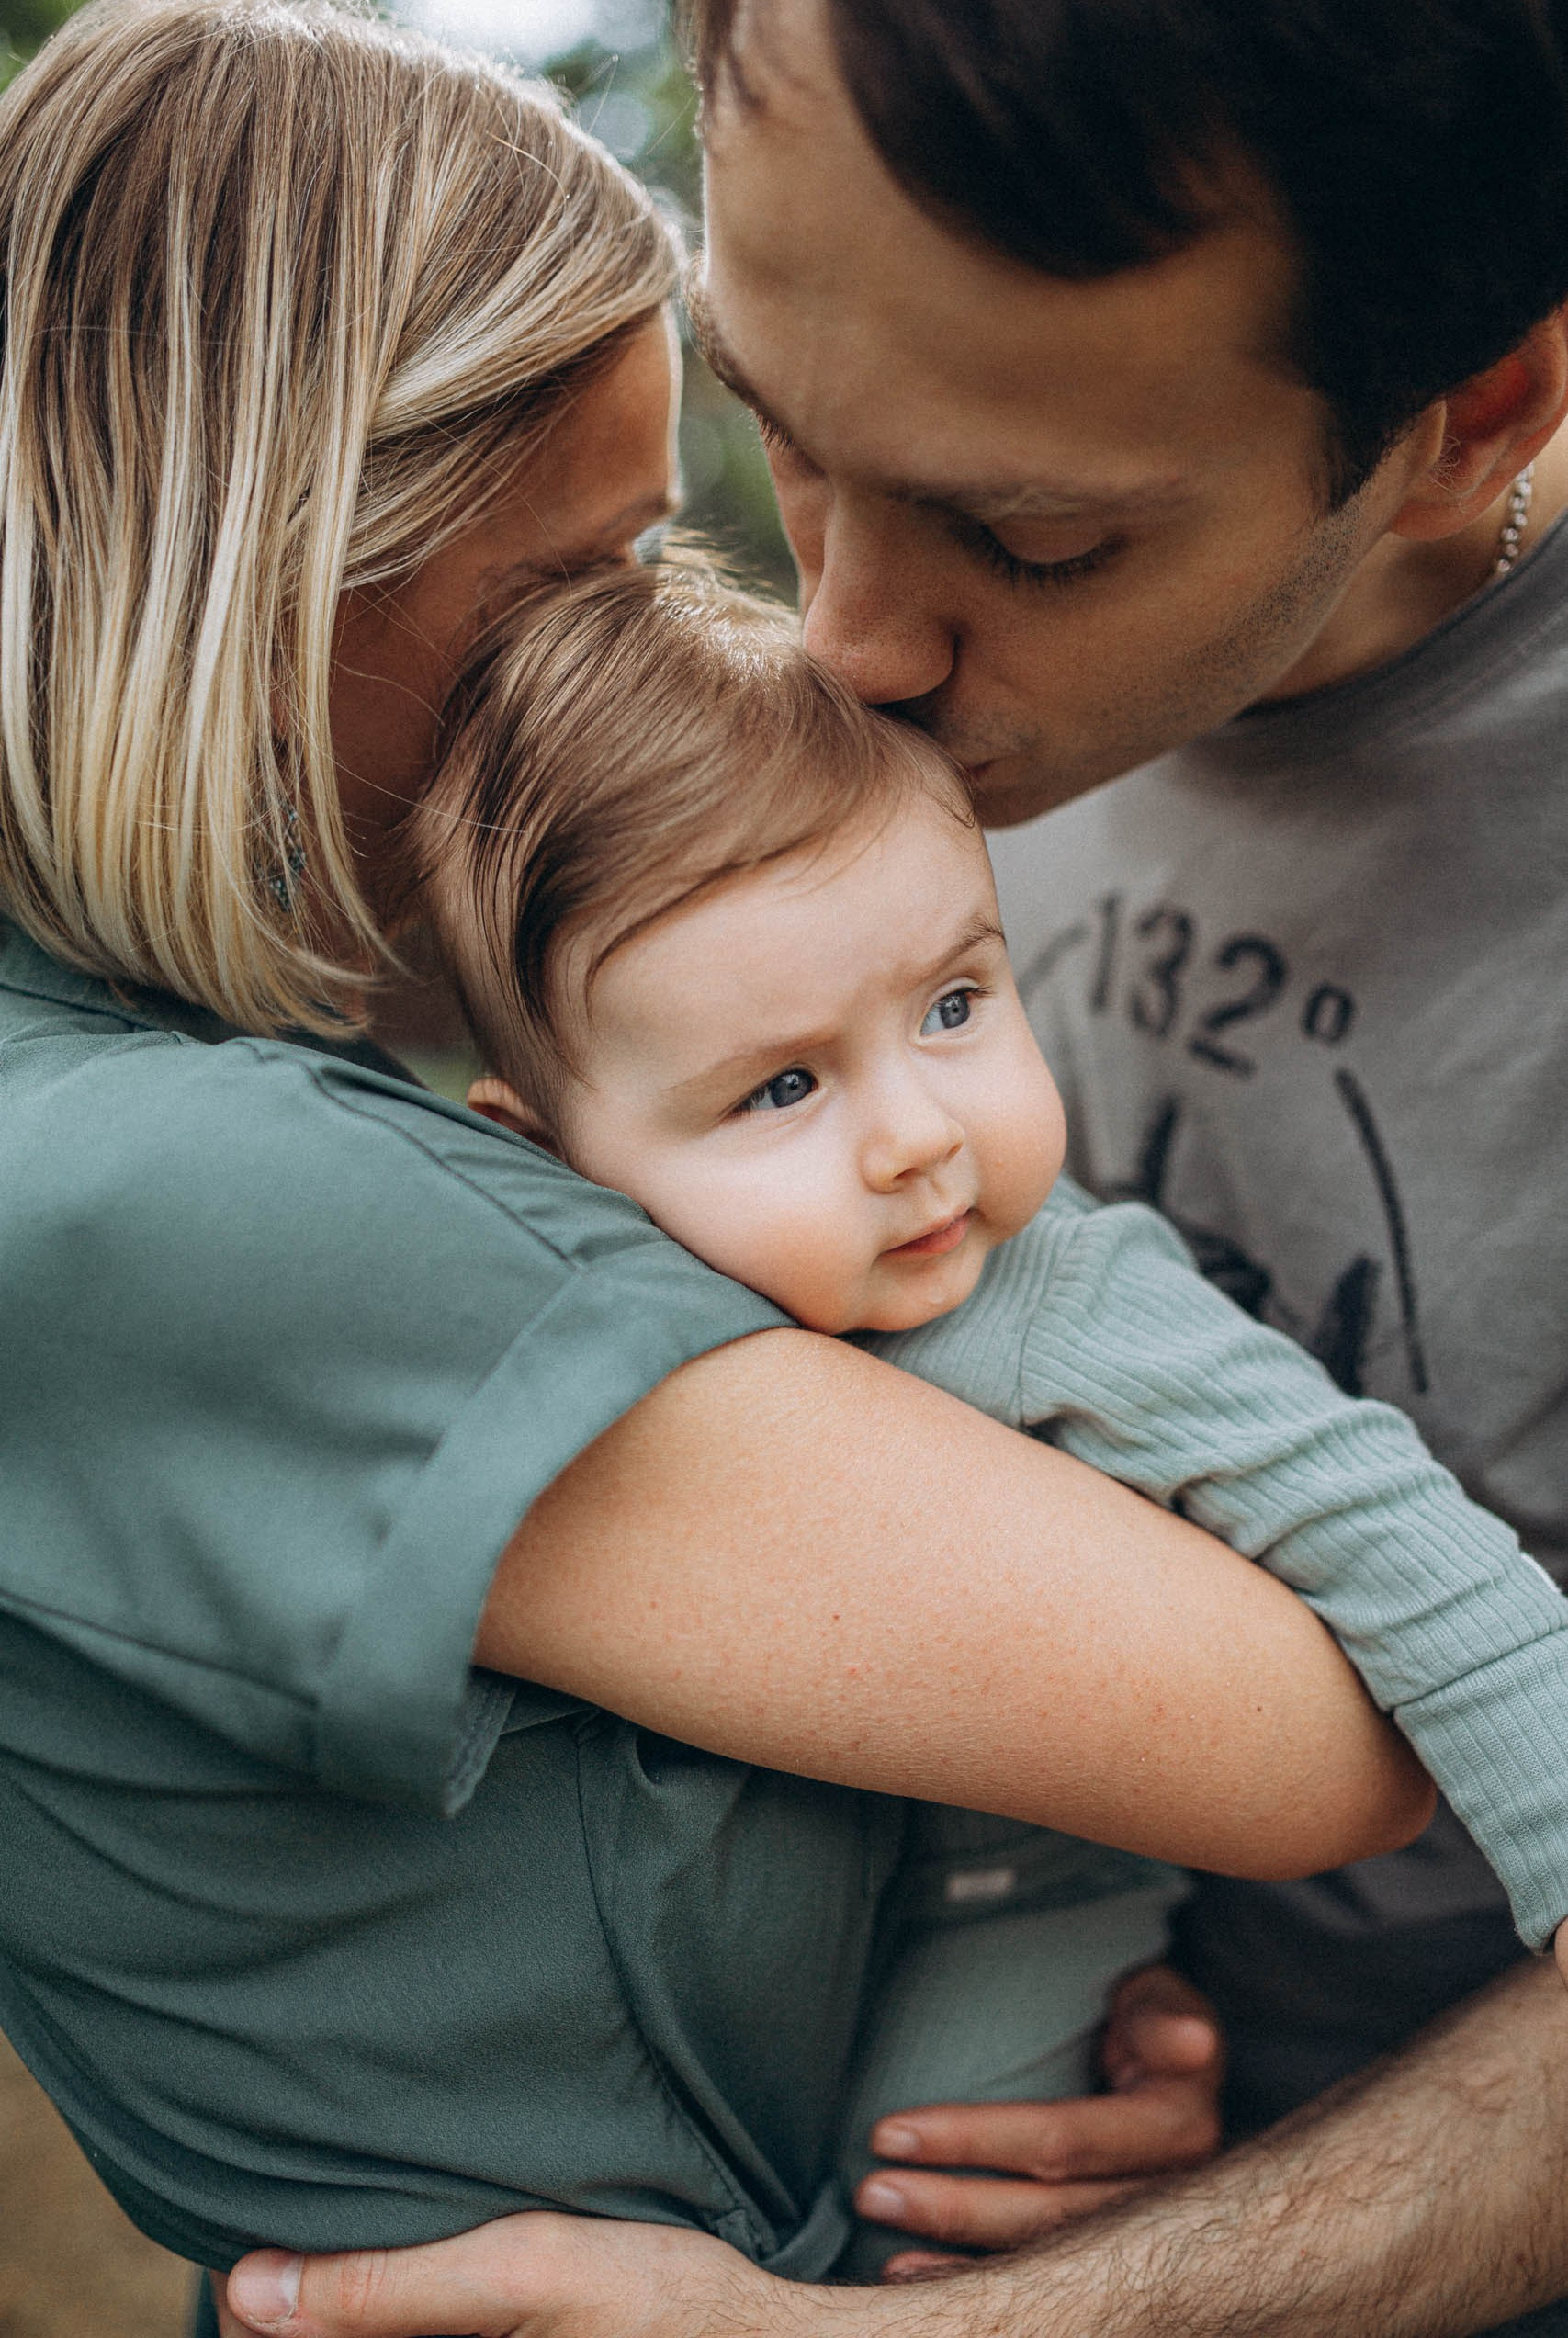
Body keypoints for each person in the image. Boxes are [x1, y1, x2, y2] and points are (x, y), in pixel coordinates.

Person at [0, 0, 1443, 2325]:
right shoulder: (169, 1189)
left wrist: (985, 2026)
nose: (761, 653)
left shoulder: (165, 1070)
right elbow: (1300, 1733)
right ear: (278, 565)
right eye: (579, 580)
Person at [405, 548, 1568, 2281]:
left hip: (1015, 1910)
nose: (918, 1135)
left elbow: (1407, 1548)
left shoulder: (1064, 1298)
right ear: (541, 1149)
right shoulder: (553, 1317)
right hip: (754, 1897)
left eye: (956, 1004)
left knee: (921, 2212)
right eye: (782, 1084)